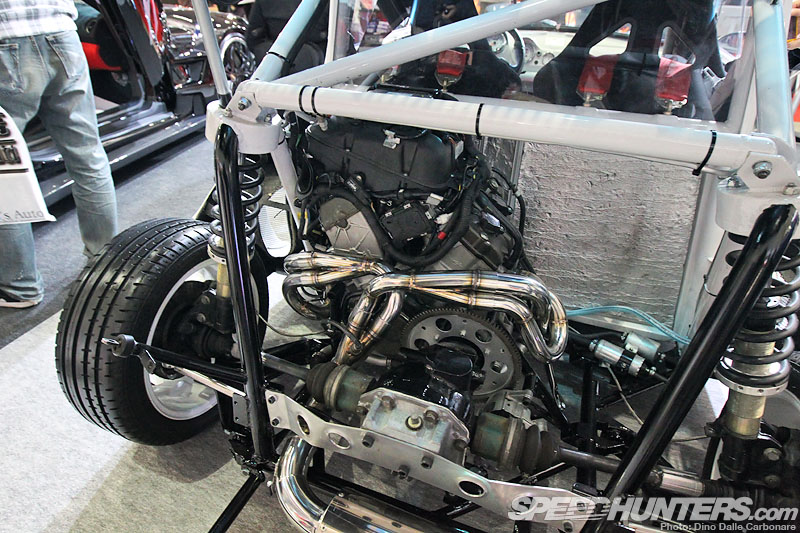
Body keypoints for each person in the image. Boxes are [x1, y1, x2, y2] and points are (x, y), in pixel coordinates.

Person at [0, 0, 118, 308]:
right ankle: (104, 268)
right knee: (88, 157)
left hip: (6, 37)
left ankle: (19, 285)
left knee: (5, 167)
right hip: (62, 33)